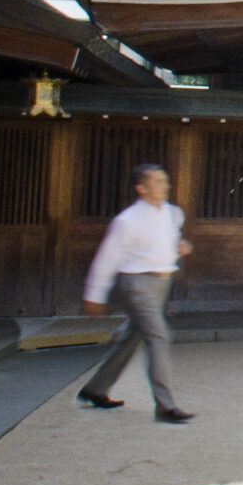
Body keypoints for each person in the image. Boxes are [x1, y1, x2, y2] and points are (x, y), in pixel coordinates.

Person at [78, 163, 194, 422]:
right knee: (158, 336)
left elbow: (168, 241)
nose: (165, 186)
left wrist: (179, 246)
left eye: (165, 180)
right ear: (141, 188)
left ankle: (95, 389)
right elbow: (107, 258)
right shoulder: (126, 221)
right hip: (136, 284)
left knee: (133, 336)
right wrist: (94, 294)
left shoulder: (173, 213)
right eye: (158, 181)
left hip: (161, 282)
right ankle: (165, 407)